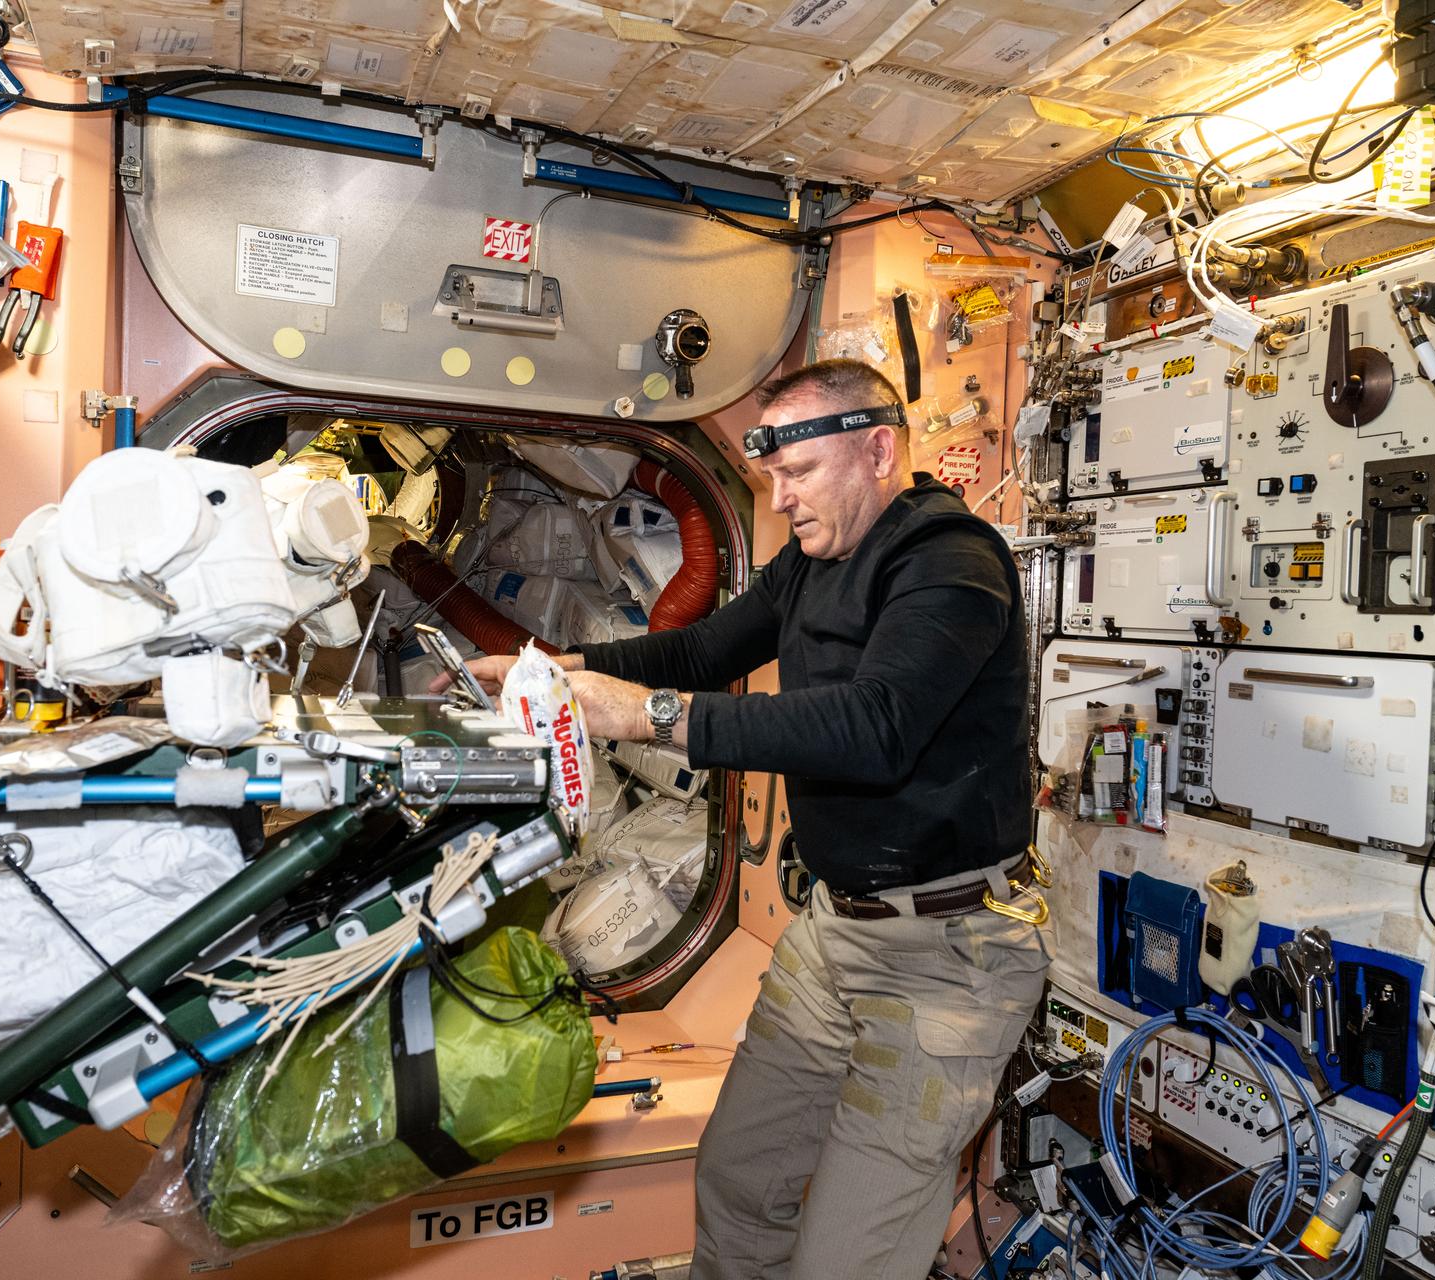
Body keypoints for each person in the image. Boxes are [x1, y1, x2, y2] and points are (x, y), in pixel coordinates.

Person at [447, 358, 1050, 1279]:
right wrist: (559, 672)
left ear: (879, 450)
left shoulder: (954, 565)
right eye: (769, 476)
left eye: (798, 473)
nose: (781, 496)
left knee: (841, 1259)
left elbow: (874, 729)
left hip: (948, 959)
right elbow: (700, 647)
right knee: (737, 1182)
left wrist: (642, 717)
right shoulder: (810, 565)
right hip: (834, 935)